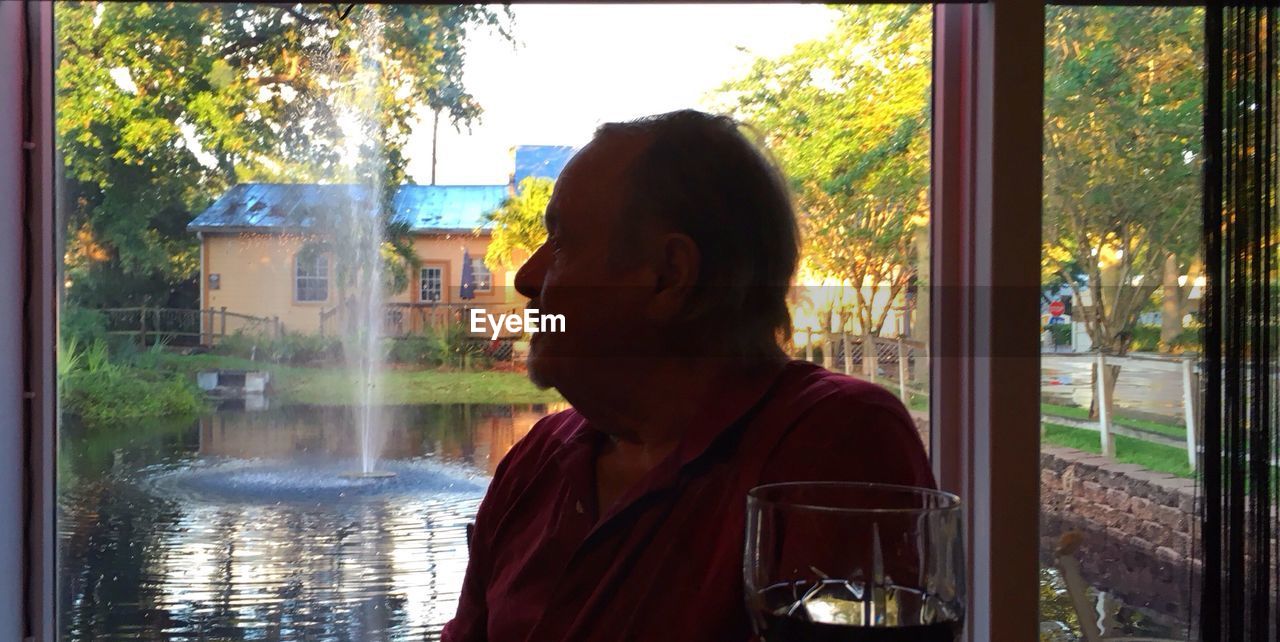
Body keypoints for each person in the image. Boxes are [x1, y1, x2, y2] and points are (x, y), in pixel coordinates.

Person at [442, 110, 933, 642]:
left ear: (669, 275)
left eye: (560, 242)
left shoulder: (835, 443)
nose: (525, 277)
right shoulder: (537, 458)